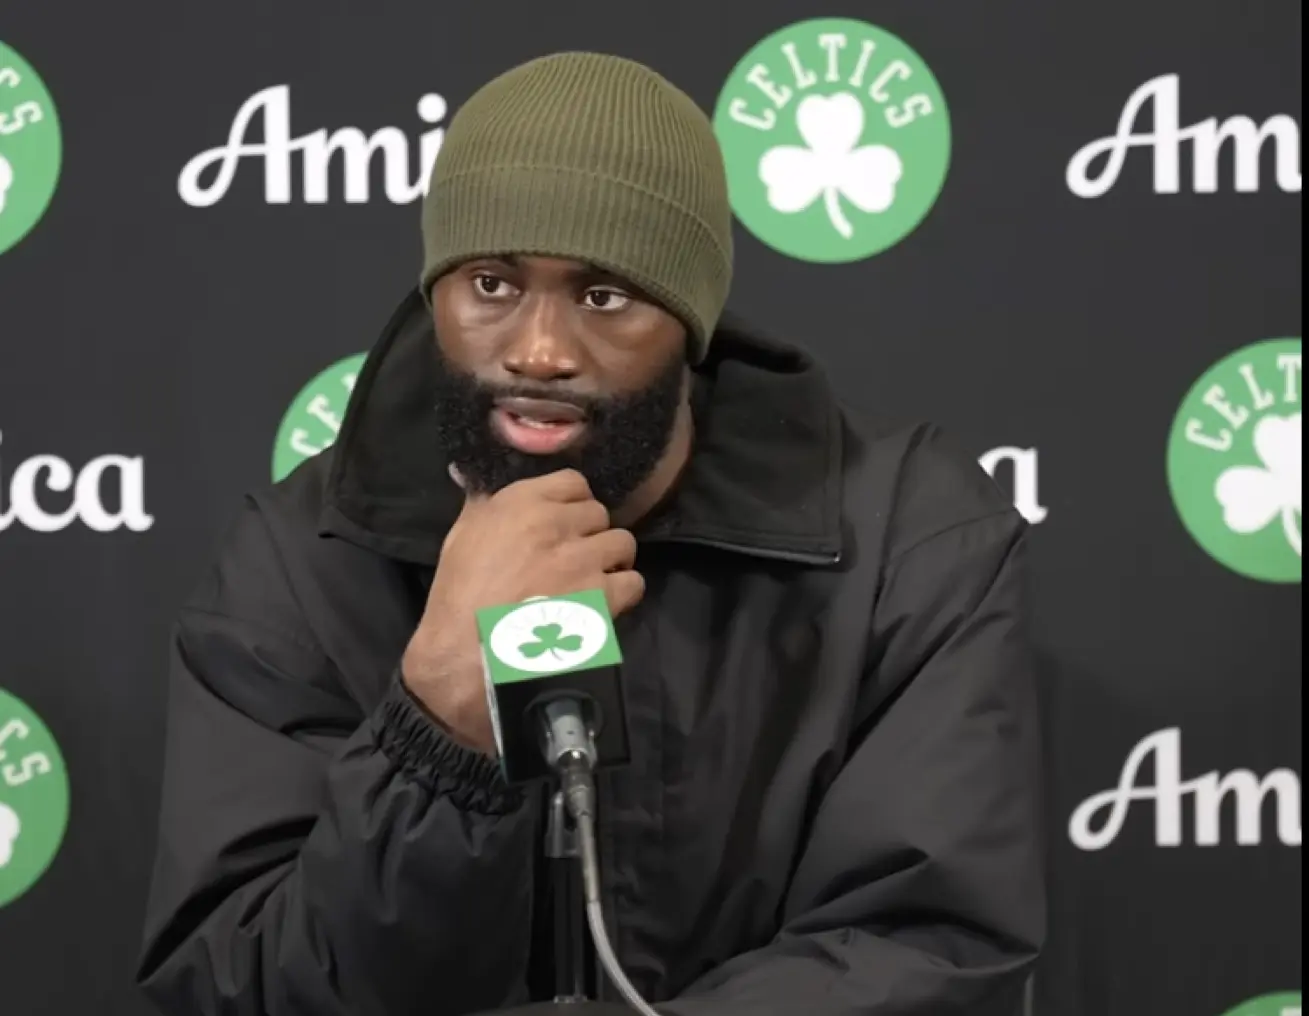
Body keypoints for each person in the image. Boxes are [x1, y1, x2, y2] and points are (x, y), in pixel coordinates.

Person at [136, 51, 1045, 1016]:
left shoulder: (908, 536)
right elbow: (233, 990)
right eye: (491, 283)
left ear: (688, 322)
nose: (539, 351)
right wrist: (436, 732)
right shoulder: (301, 561)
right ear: (436, 296)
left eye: (604, 296)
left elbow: (930, 949)